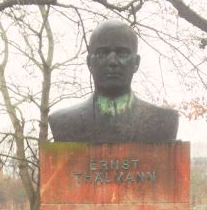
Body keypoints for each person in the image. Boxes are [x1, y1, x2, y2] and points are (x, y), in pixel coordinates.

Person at [48, 19, 179, 143]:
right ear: (89, 62)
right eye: (103, 53)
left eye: (122, 53)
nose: (112, 62)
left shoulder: (163, 121)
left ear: (136, 63)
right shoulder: (63, 122)